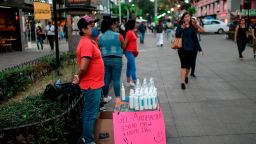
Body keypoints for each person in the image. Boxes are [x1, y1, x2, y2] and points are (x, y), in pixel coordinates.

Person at [72, 15, 104, 144]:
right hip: (91, 85)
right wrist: (78, 76)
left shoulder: (89, 41)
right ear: (84, 29)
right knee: (90, 114)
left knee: (88, 113)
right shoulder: (86, 43)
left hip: (93, 83)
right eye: (91, 26)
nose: (94, 28)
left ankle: (87, 137)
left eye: (94, 25)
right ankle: (89, 140)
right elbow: (84, 66)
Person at [98, 19, 125, 105]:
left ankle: (105, 97)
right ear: (110, 25)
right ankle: (117, 99)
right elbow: (123, 45)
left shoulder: (100, 37)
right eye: (114, 25)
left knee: (106, 79)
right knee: (116, 80)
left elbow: (98, 48)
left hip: (105, 60)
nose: (115, 26)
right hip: (117, 59)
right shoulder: (118, 35)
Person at [176, 12, 203, 90]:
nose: (187, 18)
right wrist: (182, 28)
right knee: (183, 65)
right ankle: (182, 82)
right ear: (183, 18)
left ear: (190, 18)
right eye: (185, 17)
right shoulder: (180, 26)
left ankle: (186, 76)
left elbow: (195, 40)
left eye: (188, 16)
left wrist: (200, 49)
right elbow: (177, 35)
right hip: (182, 49)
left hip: (191, 50)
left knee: (189, 67)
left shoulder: (192, 27)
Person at [124, 20, 138, 86]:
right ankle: (135, 81)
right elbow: (125, 43)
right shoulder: (129, 32)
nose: (136, 24)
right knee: (133, 67)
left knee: (129, 67)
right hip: (129, 51)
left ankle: (128, 81)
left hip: (132, 52)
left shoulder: (132, 31)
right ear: (132, 24)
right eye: (135, 23)